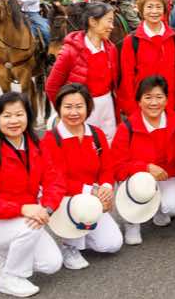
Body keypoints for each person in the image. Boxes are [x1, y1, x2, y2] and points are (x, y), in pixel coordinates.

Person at [0, 92, 65, 297]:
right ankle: (10, 277)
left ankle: (6, 249)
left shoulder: (37, 146)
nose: (13, 121)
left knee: (51, 264)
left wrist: (47, 208)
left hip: (24, 218)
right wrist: (23, 209)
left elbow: (55, 181)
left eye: (19, 114)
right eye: (7, 116)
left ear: (28, 116)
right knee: (29, 229)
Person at [41, 84, 121, 268]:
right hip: (65, 198)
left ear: (88, 107)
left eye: (79, 106)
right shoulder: (51, 140)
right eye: (68, 107)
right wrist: (92, 191)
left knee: (112, 244)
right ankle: (69, 244)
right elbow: (57, 181)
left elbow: (107, 168)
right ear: (59, 108)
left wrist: (106, 189)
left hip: (91, 198)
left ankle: (83, 234)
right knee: (80, 206)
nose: (74, 112)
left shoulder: (96, 134)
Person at [112, 75, 175, 245]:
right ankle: (132, 221)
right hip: (137, 179)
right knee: (142, 181)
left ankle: (157, 209)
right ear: (139, 101)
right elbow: (117, 167)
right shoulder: (127, 128)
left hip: (166, 176)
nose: (154, 103)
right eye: (148, 97)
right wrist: (145, 167)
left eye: (159, 97)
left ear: (166, 100)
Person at [46, 3, 120, 142]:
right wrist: (67, 111)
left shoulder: (111, 49)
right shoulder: (69, 51)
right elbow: (52, 87)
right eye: (109, 21)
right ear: (93, 22)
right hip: (83, 111)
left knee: (109, 146)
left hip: (107, 109)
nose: (112, 26)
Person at [117, 0, 175, 118]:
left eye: (158, 7)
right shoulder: (132, 41)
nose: (154, 11)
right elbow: (127, 78)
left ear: (164, 9)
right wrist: (132, 111)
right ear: (141, 10)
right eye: (149, 7)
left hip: (170, 105)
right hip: (142, 107)